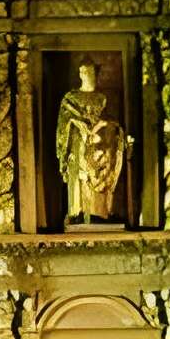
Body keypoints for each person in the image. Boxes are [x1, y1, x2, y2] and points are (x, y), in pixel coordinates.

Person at [53, 61, 129, 223]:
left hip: (99, 144)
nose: (88, 75)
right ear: (80, 74)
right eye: (84, 72)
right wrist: (78, 124)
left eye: (91, 72)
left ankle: (100, 212)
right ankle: (77, 212)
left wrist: (102, 125)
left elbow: (111, 120)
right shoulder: (70, 98)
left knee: (103, 165)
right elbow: (63, 123)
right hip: (77, 143)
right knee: (80, 174)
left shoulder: (102, 98)